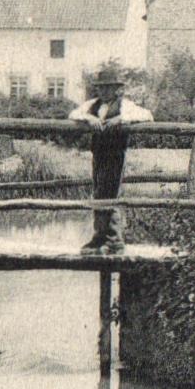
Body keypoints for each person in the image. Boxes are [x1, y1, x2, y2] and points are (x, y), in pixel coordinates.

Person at [68, 67, 152, 253]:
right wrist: (89, 118)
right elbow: (73, 114)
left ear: (117, 89)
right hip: (98, 153)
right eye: (101, 88)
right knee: (98, 192)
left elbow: (147, 115)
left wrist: (122, 119)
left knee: (112, 193)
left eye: (109, 88)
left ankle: (114, 240)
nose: (104, 92)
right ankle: (99, 237)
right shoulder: (92, 105)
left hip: (115, 153)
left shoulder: (124, 105)